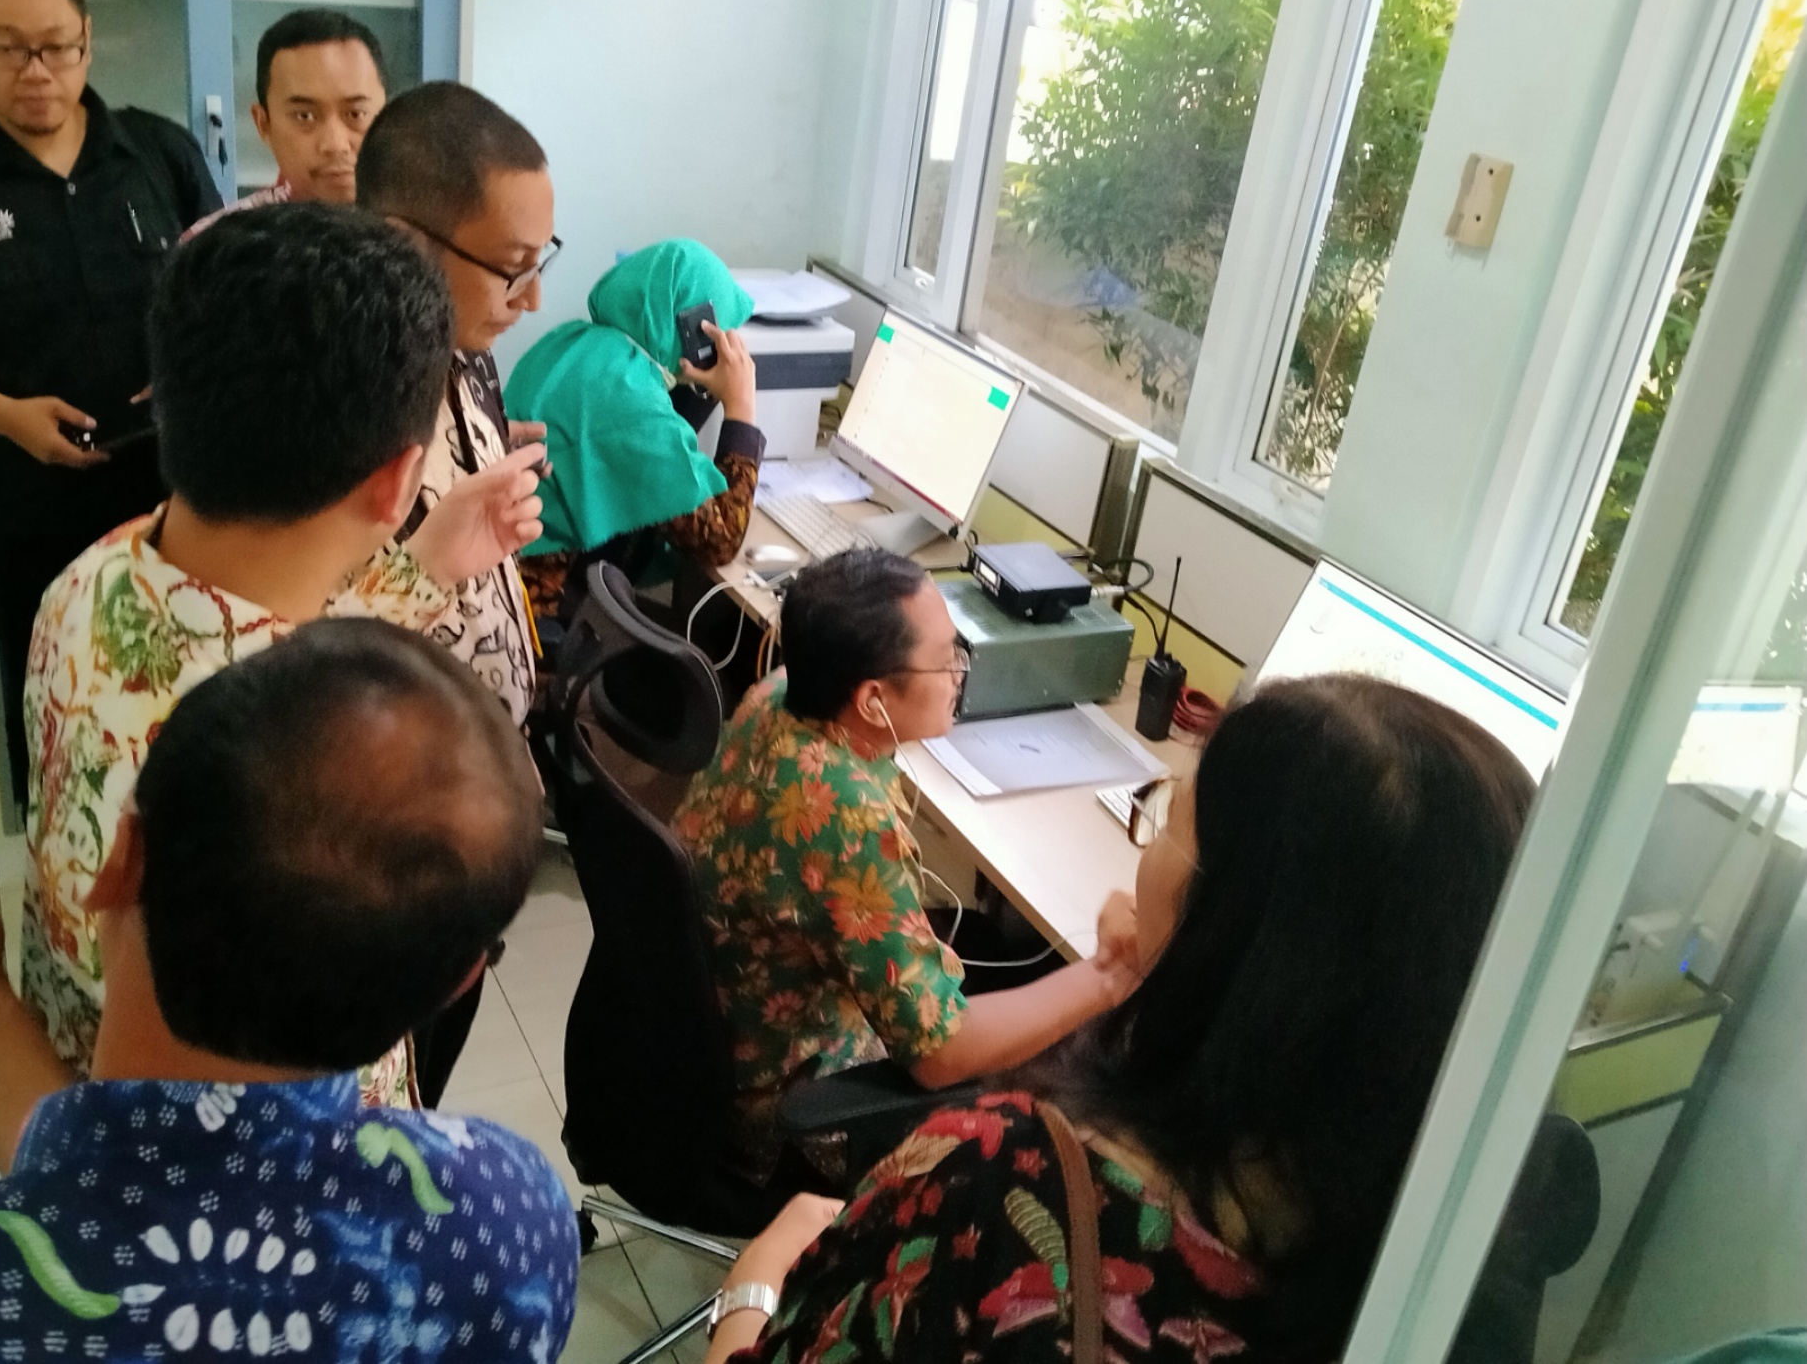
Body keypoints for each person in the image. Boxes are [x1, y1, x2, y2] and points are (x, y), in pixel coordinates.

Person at [0, 620, 579, 1363]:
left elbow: (119, 1208)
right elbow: (153, 1188)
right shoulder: (510, 1221)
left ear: (118, 860)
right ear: (457, 982)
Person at [702, 673, 1539, 1362]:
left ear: (1223, 925)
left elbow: (937, 1053)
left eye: (1169, 823)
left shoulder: (998, 1188)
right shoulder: (1465, 1285)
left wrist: (754, 1283)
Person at [6, 203, 542, 1155]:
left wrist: (423, 567)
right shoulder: (296, 777)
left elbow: (253, 642)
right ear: (396, 479)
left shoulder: (92, 579)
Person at [673, 548, 1141, 1187]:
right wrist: (1111, 977)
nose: (959, 671)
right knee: (1074, 1084)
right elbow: (939, 1057)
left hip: (719, 1028)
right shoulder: (842, 812)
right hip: (793, 1098)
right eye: (947, 657)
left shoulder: (779, 694)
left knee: (1007, 953)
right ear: (871, 700)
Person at [0, 0, 223, 806]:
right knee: (58, 724)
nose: (38, 72)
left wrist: (186, 369)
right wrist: (6, 415)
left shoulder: (157, 152)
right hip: (26, 517)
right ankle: (63, 885)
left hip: (174, 503)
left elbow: (224, 284)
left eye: (57, 48)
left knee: (191, 711)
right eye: (9, 49)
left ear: (88, 40)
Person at [358, 81, 558, 725]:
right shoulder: (347, 414)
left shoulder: (465, 351)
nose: (532, 300)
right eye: (512, 268)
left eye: (540, 263)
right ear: (405, 244)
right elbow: (309, 659)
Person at [507, 238, 766, 628]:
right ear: (697, 330)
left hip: (505, 580)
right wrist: (741, 409)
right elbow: (720, 540)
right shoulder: (629, 402)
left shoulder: (575, 344)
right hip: (542, 612)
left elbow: (656, 451)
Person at [180, 8, 389, 240]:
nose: (335, 145)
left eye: (355, 114)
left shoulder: (427, 237)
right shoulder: (216, 250)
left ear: (388, 116)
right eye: (305, 116)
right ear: (264, 125)